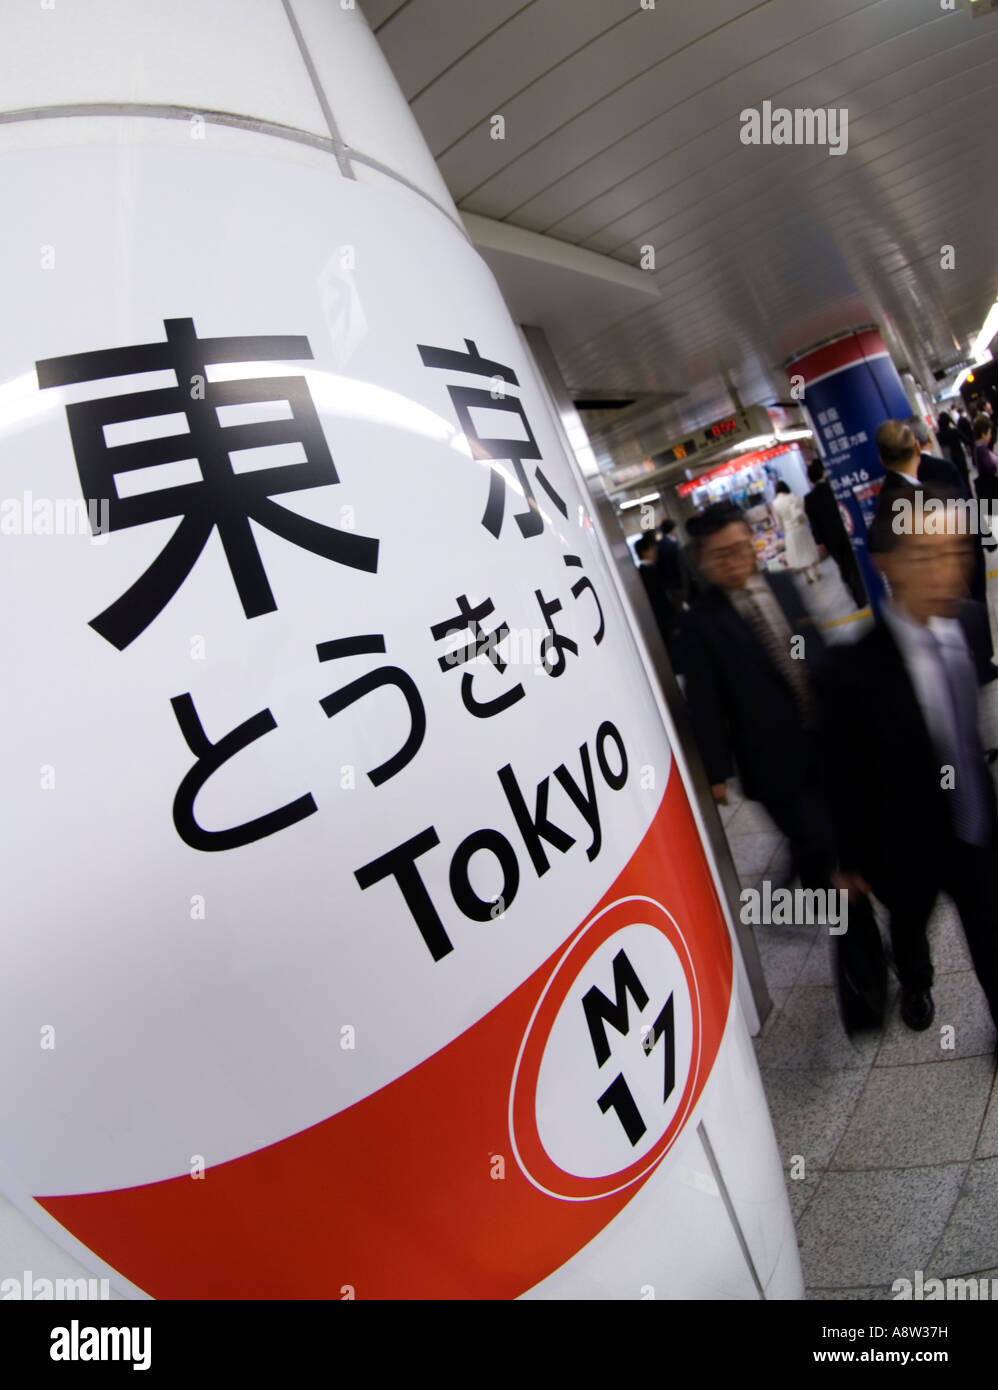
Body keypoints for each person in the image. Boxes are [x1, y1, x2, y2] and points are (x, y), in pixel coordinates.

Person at [820, 491, 998, 1033]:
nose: (948, 571)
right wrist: (847, 860)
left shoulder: (967, 623)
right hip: (903, 843)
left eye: (956, 551)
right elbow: (842, 772)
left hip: (974, 826)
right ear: (886, 565)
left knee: (992, 933)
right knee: (909, 923)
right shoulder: (854, 668)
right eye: (927, 555)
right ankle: (917, 983)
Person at [681, 501, 833, 890]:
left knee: (831, 837)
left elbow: (809, 646)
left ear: (753, 543)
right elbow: (704, 702)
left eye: (740, 548)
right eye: (721, 555)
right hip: (770, 761)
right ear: (703, 561)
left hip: (821, 736)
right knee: (814, 843)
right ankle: (849, 935)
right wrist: (715, 772)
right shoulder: (700, 625)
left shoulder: (781, 586)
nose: (733, 561)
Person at [804, 458, 866, 609]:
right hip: (844, 531)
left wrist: (819, 542)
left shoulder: (809, 499)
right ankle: (861, 595)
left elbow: (814, 523)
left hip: (829, 538)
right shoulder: (834, 489)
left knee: (842, 565)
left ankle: (854, 592)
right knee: (852, 562)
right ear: (824, 473)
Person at [771, 480, 821, 582]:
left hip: (790, 531)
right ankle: (816, 571)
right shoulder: (793, 497)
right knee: (809, 549)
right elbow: (803, 511)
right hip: (801, 527)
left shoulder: (775, 503)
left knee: (798, 554)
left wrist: (783, 531)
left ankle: (807, 576)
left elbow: (779, 521)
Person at [936, 410, 971, 493]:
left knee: (956, 487)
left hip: (949, 461)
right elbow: (967, 440)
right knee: (966, 483)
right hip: (960, 460)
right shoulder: (954, 431)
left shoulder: (938, 435)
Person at [655, 517, 685, 611]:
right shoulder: (671, 544)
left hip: (666, 582)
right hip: (676, 581)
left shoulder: (659, 544)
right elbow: (677, 564)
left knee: (677, 606)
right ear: (672, 529)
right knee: (681, 605)